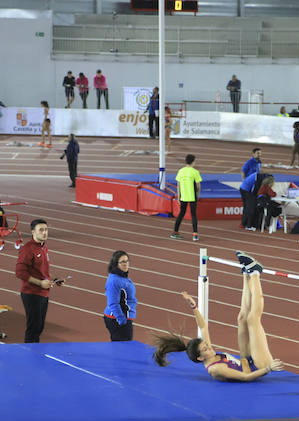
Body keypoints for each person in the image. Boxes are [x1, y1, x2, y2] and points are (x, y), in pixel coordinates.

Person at [152, 254, 284, 382]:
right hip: (258, 366)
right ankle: (255, 274)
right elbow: (246, 378)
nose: (210, 347)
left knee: (242, 318)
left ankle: (246, 274)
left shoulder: (208, 353)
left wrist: (194, 307)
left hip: (246, 360)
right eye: (205, 349)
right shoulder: (215, 369)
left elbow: (203, 327)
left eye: (206, 345)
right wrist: (268, 368)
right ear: (200, 358)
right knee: (252, 320)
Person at [15, 219, 62, 343]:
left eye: (46, 230)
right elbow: (20, 272)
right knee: (34, 327)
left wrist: (54, 279)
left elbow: (42, 271)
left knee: (39, 327)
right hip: (31, 293)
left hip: (43, 293)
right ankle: (30, 354)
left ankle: (34, 352)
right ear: (33, 232)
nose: (44, 233)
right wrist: (40, 283)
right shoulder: (27, 249)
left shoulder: (44, 248)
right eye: (41, 230)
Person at [103, 251, 136, 341]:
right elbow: (113, 303)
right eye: (122, 262)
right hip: (117, 318)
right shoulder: (114, 280)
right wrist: (122, 320)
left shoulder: (122, 276)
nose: (126, 264)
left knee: (124, 349)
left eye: (127, 261)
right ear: (116, 264)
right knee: (123, 350)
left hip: (124, 317)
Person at [170, 154, 202, 241]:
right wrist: (197, 195)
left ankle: (175, 232)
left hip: (183, 196)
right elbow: (198, 186)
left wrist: (178, 197)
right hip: (192, 196)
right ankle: (195, 235)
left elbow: (178, 185)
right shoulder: (195, 172)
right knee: (193, 215)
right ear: (193, 162)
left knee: (181, 214)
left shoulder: (181, 171)